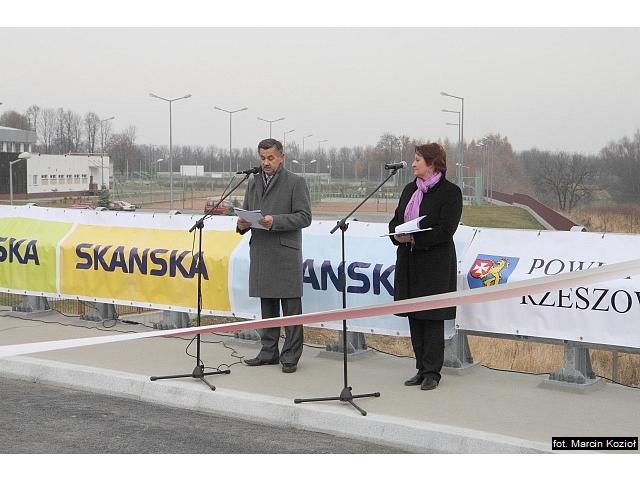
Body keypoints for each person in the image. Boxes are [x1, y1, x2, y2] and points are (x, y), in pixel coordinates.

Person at [388, 143, 462, 390]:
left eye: (418, 159)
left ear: (432, 163)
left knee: (431, 318)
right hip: (409, 262)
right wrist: (396, 234)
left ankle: (432, 372)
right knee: (414, 316)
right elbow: (396, 220)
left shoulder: (450, 192)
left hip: (435, 265)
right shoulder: (410, 189)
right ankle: (420, 368)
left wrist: (415, 238)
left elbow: (446, 230)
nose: (413, 164)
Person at [236, 138, 312, 373]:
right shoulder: (253, 182)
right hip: (261, 252)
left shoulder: (296, 182)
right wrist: (242, 224)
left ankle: (291, 356)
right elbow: (247, 213)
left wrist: (275, 221)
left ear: (281, 157)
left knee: (290, 309)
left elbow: (304, 216)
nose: (266, 162)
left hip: (285, 253)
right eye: (262, 158)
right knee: (267, 307)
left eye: (270, 158)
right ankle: (268, 352)